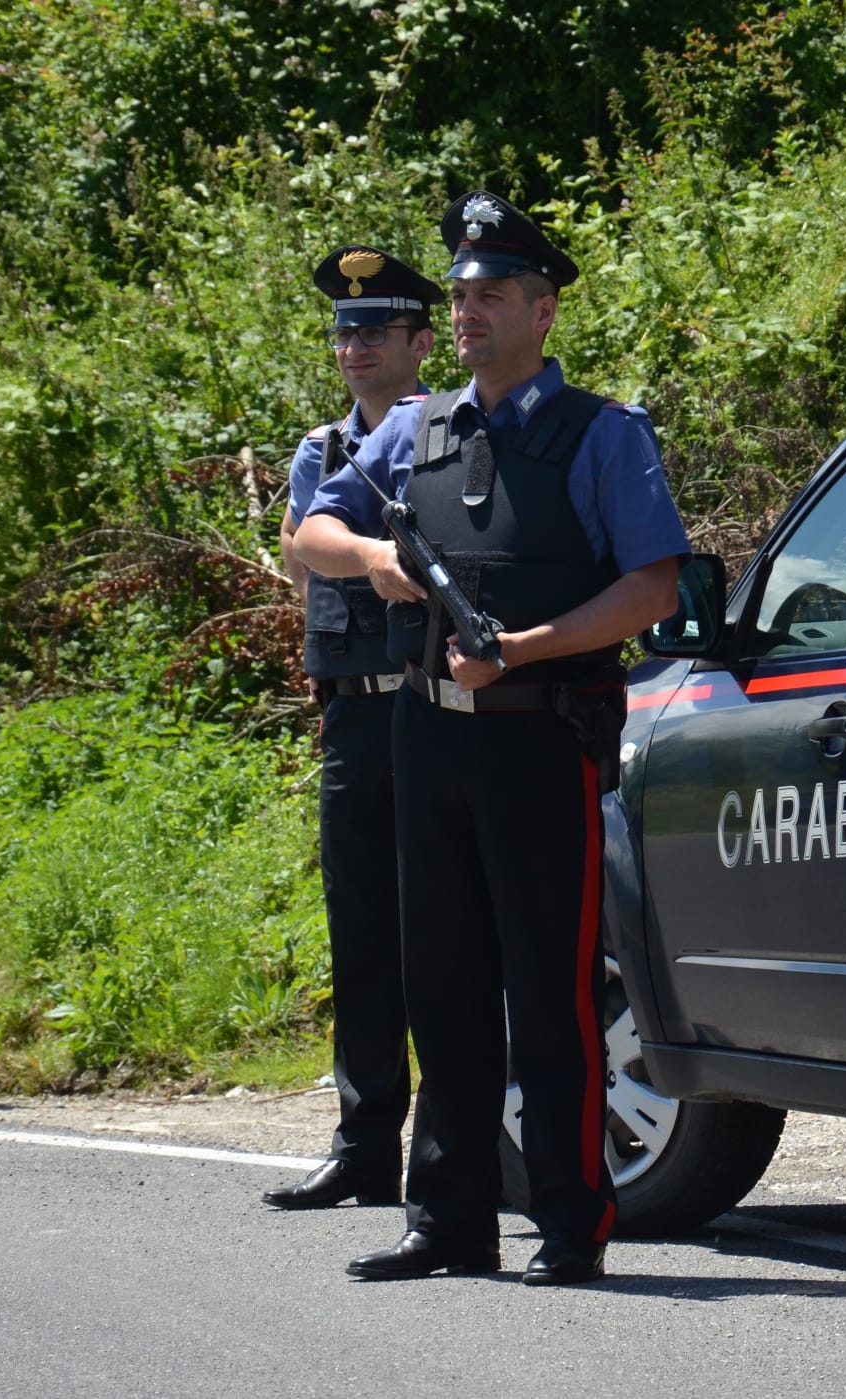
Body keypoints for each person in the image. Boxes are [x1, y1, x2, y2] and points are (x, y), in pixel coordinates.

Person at [294, 190, 689, 1285]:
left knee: (549, 993)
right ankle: (449, 1221)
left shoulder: (603, 435)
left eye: (491, 295)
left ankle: (568, 1222)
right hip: (429, 739)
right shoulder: (413, 428)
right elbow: (315, 528)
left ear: (543, 309)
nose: (467, 312)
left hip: (538, 742)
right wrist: (374, 561)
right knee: (443, 986)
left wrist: (522, 647)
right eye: (460, 295)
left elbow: (653, 586)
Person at [260, 245, 442, 1211]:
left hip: (435, 705)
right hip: (352, 715)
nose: (354, 345)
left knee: (446, 936)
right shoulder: (319, 453)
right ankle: (365, 1143)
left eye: (374, 330)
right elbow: (303, 565)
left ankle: (459, 1150)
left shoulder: (454, 434)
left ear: (420, 338)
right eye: (342, 330)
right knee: (362, 937)